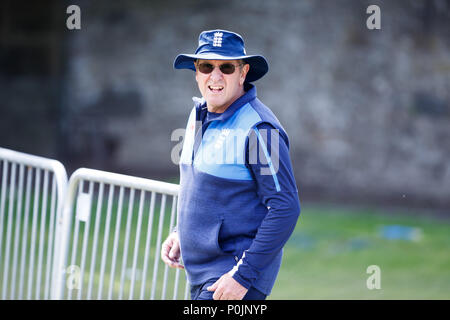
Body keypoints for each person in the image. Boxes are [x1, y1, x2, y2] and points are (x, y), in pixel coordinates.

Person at [161, 29, 300, 300]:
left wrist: (242, 276)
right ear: (196, 72)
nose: (215, 76)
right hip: (203, 275)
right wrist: (182, 233)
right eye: (206, 66)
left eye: (226, 67)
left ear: (243, 72)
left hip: (233, 278)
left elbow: (285, 207)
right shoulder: (199, 112)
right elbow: (201, 188)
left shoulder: (260, 129)